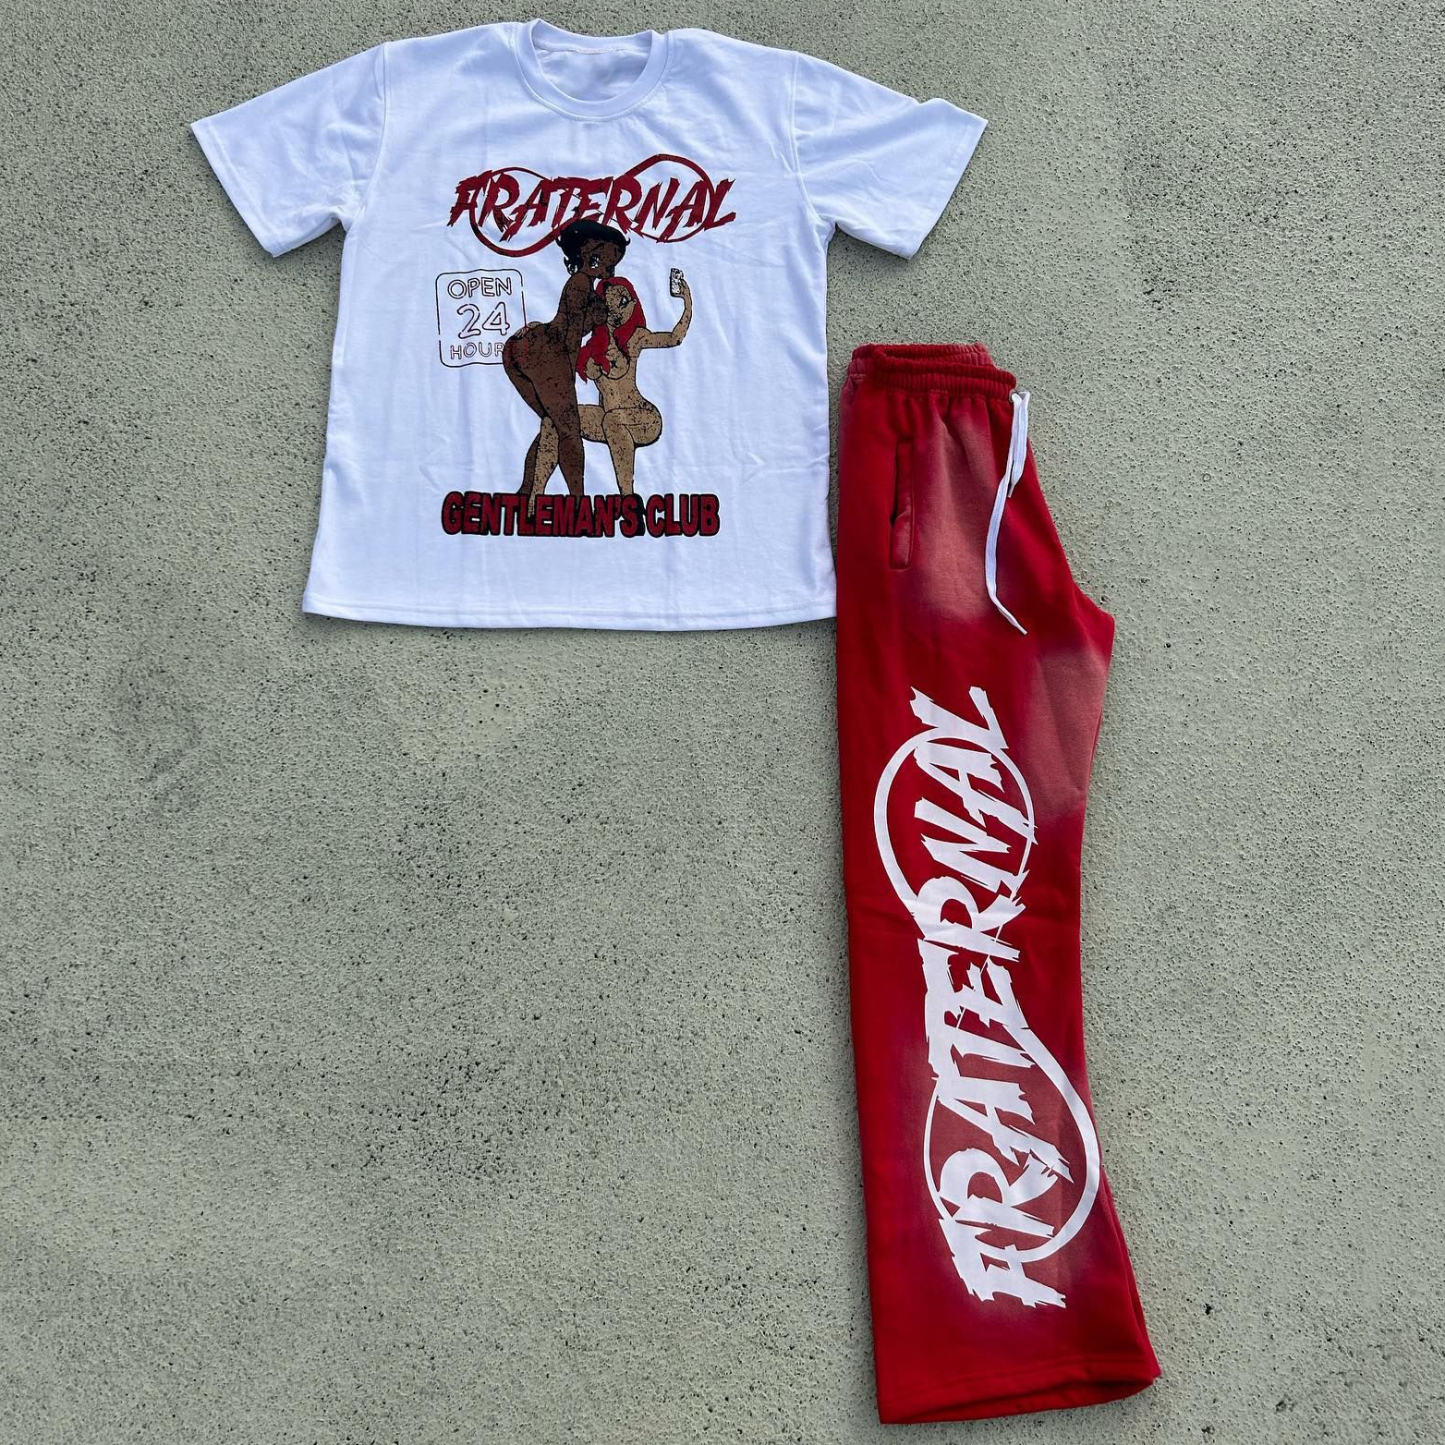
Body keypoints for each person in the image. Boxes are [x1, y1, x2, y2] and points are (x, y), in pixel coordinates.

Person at [528, 271, 692, 504]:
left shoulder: (636, 338)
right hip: (607, 417)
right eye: (610, 303)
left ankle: (628, 498)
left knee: (613, 420)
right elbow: (559, 350)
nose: (619, 308)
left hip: (644, 419)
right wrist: (538, 332)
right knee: (555, 418)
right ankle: (535, 497)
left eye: (624, 300)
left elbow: (674, 338)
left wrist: (687, 302)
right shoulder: (592, 348)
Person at [501, 218, 627, 499]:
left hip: (526, 349)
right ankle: (577, 502)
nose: (614, 265)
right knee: (569, 430)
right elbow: (570, 336)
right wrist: (567, 378)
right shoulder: (580, 283)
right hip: (548, 353)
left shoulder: (584, 285)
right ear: (592, 251)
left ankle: (526, 492)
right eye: (613, 256)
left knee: (554, 425)